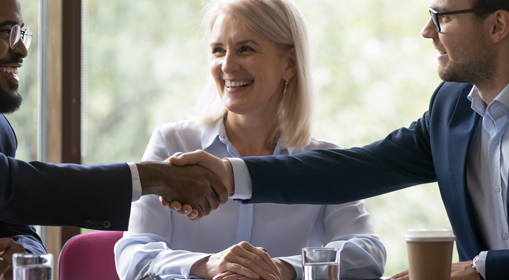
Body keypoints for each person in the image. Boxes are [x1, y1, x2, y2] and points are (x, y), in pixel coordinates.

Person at [164, 0, 509, 279]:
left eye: (442, 16)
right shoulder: (450, 108)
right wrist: (231, 173)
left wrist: (483, 269)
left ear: (497, 25)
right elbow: (355, 169)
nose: (427, 30)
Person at [0, 0, 228, 279]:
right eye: (6, 32)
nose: (21, 49)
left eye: (22, 32)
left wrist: (21, 254)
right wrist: (157, 178)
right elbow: (8, 188)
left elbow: (20, 226)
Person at [114, 1, 386, 280]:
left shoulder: (321, 161)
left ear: (289, 63)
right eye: (218, 50)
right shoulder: (173, 144)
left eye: (246, 49)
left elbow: (368, 253)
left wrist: (281, 269)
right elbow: (134, 254)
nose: (228, 65)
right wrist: (207, 266)